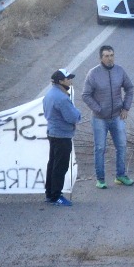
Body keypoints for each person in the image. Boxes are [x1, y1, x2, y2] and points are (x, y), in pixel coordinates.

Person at [80, 44, 134, 189]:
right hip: (99, 118)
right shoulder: (93, 74)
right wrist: (99, 109)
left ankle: (121, 176)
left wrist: (126, 107)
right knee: (100, 148)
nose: (110, 58)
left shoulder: (120, 71)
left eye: (111, 55)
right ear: (101, 58)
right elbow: (85, 95)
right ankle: (100, 179)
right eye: (106, 56)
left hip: (117, 116)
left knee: (122, 146)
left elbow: (129, 88)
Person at [43, 68, 81, 207]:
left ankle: (50, 193)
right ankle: (56, 196)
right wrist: (78, 113)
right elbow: (72, 117)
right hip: (62, 136)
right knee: (60, 166)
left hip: (52, 133)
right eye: (68, 78)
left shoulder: (50, 94)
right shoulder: (62, 98)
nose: (70, 80)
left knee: (52, 164)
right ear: (61, 81)